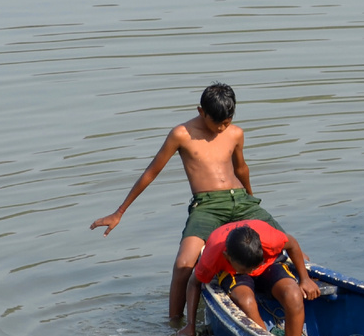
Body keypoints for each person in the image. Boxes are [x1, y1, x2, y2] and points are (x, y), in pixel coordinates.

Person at [89, 83, 284, 322]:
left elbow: (241, 169)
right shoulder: (181, 134)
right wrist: (120, 212)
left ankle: (290, 293)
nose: (223, 128)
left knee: (288, 246)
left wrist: (252, 202)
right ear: (201, 112)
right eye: (218, 123)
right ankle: (175, 324)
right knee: (184, 263)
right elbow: (151, 172)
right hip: (208, 205)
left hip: (241, 200)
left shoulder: (235, 133)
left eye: (227, 122)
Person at [178, 219, 319, 336]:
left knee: (294, 295)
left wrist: (305, 279)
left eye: (254, 268)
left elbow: (292, 244)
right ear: (227, 257)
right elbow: (193, 283)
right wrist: (190, 324)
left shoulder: (269, 239)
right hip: (233, 273)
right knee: (246, 301)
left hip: (268, 264)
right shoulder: (213, 255)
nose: (252, 272)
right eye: (248, 269)